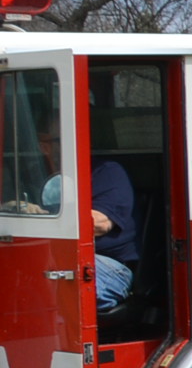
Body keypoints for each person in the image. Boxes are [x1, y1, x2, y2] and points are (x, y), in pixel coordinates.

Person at [32, 107, 135, 315]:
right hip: (49, 258)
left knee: (54, 276)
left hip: (107, 264)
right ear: (44, 145)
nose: (77, 144)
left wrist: (40, 216)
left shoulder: (107, 172)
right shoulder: (31, 175)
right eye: (66, 139)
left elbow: (100, 223)